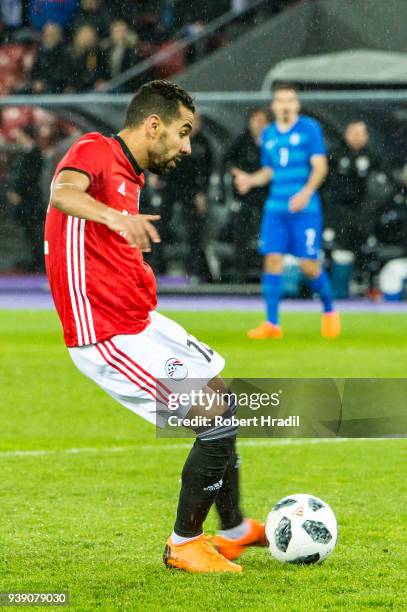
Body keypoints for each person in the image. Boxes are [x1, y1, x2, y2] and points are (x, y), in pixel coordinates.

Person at [45, 80, 265, 573]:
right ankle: (184, 544)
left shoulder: (131, 177)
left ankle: (232, 530)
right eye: (182, 133)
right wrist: (112, 218)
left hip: (138, 322)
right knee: (216, 419)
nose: (187, 146)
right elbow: (62, 194)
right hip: (106, 336)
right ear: (153, 125)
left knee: (220, 393)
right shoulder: (95, 150)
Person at [233, 83, 340, 339]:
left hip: (305, 210)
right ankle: (272, 324)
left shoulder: (309, 129)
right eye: (280, 101)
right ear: (274, 105)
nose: (285, 105)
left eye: (290, 101)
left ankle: (329, 310)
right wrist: (250, 180)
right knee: (271, 259)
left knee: (309, 265)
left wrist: (305, 194)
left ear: (297, 105)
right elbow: (270, 171)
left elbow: (320, 167)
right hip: (276, 209)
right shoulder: (268, 134)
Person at [160, 112, 213, 280]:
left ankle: (195, 271)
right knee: (160, 227)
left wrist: (202, 193)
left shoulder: (204, 144)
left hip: (192, 191)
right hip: (171, 188)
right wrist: (158, 176)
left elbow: (207, 172)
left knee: (195, 232)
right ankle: (156, 268)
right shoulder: (172, 139)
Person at [326, 121, 383, 274]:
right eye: (354, 133)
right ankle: (335, 290)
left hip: (364, 213)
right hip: (337, 212)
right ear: (346, 134)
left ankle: (364, 285)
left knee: (365, 249)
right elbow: (327, 183)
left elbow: (380, 185)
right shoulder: (334, 154)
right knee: (334, 249)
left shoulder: (373, 157)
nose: (357, 137)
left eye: (361, 133)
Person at [224, 108, 269, 282]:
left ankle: (267, 277)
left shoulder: (273, 142)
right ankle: (240, 278)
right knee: (241, 238)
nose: (259, 124)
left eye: (263, 120)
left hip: (267, 199)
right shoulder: (241, 142)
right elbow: (227, 163)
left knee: (269, 241)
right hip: (244, 199)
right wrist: (237, 178)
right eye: (256, 120)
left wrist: (251, 180)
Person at [6, 125, 44, 273]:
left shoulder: (34, 153)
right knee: (30, 233)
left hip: (30, 201)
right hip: (26, 201)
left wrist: (19, 192)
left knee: (35, 233)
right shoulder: (27, 153)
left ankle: (39, 263)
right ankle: (35, 261)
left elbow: (29, 177)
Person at [31, 23, 70, 94]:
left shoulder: (64, 53)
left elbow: (63, 75)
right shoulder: (40, 52)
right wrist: (36, 81)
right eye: (47, 34)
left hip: (58, 88)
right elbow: (34, 72)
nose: (49, 36)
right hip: (42, 88)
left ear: (58, 36)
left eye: (52, 34)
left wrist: (44, 83)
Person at [67, 24, 108, 92]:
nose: (87, 39)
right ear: (78, 37)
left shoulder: (95, 54)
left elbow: (99, 72)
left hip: (92, 89)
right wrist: (70, 85)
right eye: (85, 36)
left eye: (90, 36)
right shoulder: (70, 54)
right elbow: (67, 73)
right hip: (74, 90)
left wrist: (100, 80)